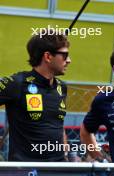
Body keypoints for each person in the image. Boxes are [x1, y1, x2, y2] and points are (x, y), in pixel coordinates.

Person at [0, 29, 71, 161]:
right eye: (65, 55)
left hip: (58, 168)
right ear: (48, 57)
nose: (69, 60)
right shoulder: (17, 83)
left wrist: (66, 157)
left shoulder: (62, 87)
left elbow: (58, 125)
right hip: (25, 169)